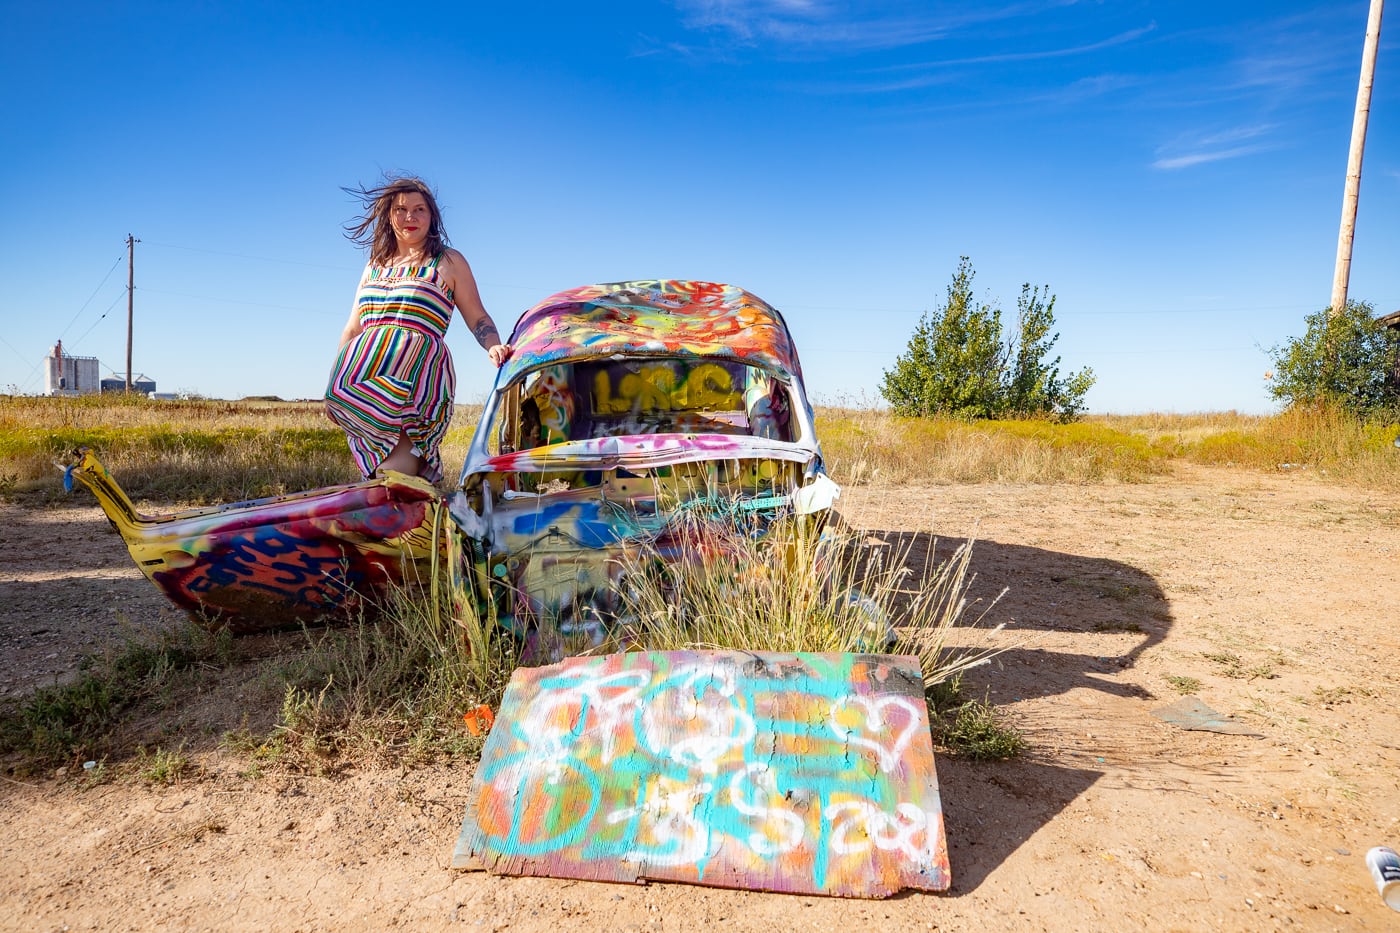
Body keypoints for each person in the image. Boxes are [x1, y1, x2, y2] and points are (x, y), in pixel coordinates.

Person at [325, 176, 510, 482]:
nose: (409, 217)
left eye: (419, 209)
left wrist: (493, 345)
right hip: (369, 376)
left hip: (418, 377)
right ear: (388, 216)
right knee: (378, 478)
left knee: (393, 476)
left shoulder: (448, 261)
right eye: (401, 209)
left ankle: (421, 506)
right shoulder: (375, 264)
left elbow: (478, 317)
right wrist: (337, 382)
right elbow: (352, 328)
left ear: (431, 216)